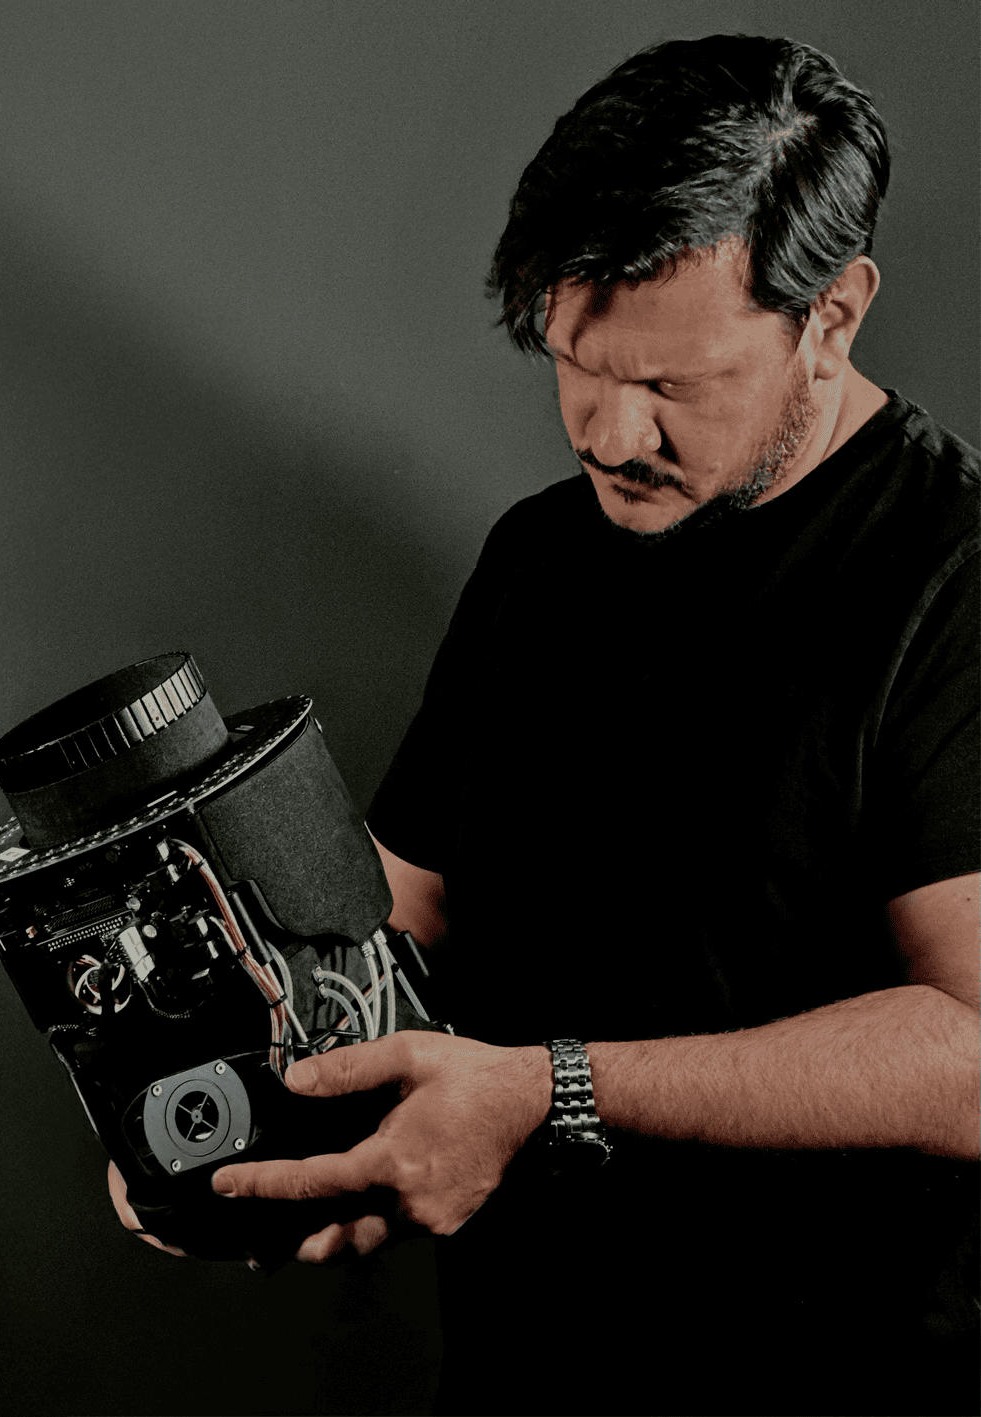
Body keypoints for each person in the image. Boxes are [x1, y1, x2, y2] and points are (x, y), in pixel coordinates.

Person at [109, 34, 977, 1415]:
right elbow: (401, 915)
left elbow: (973, 1053)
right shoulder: (540, 557)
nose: (609, 433)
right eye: (574, 362)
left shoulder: (952, 576)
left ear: (833, 314)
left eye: (672, 386)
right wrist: (233, 1102)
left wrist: (546, 1093)